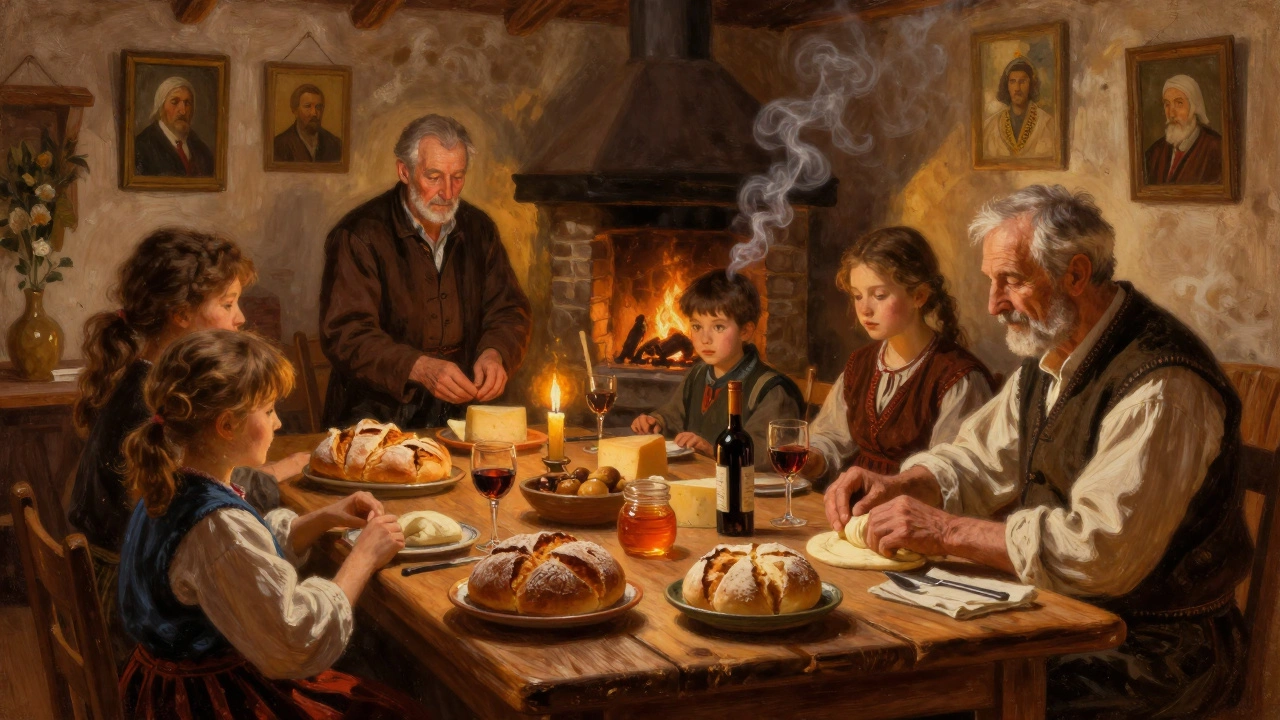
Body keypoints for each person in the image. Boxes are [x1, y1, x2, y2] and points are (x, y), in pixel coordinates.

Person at [823, 185, 1250, 718]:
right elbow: (976, 459)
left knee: (928, 698)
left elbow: (1099, 552)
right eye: (990, 281)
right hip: (1066, 618)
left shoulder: (1162, 385)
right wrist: (905, 484)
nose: (993, 303)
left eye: (1013, 281)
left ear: (1074, 274)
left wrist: (945, 530)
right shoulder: (1051, 358)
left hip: (1157, 653)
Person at [116, 330, 425, 718]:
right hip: (206, 701)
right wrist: (363, 557)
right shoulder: (217, 526)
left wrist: (322, 518)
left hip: (162, 683)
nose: (278, 423)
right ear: (227, 425)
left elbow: (243, 567)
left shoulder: (174, 484)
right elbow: (294, 639)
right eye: (268, 410)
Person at [69, 228, 308, 661]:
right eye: (228, 303)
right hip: (135, 620)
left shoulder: (150, 382)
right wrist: (284, 470)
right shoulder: (156, 407)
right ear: (181, 314)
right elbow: (194, 496)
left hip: (126, 587)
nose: (240, 319)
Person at [320, 114, 532, 428]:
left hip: (463, 412)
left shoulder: (479, 228)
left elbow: (509, 309)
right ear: (404, 171)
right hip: (376, 414)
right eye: (433, 176)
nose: (447, 191)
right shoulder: (358, 235)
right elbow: (346, 335)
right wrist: (419, 368)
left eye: (457, 176)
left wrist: (494, 352)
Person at [803, 227, 993, 489]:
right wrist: (814, 457)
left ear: (919, 296)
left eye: (879, 295)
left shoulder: (957, 376)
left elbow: (951, 473)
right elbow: (832, 435)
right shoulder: (860, 364)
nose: (865, 308)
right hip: (853, 506)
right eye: (857, 296)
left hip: (913, 512)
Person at [631, 269, 803, 470]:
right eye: (696, 327)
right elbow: (674, 415)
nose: (705, 338)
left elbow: (767, 454)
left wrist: (713, 451)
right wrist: (656, 422)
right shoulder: (698, 374)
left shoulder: (770, 390)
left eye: (718, 327)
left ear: (745, 331)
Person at [1143, 74, 1223, 185]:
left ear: (1194, 107)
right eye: (1167, 104)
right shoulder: (1155, 152)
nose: (1171, 114)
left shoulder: (1217, 148)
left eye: (1179, 103)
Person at [133, 76, 215, 177]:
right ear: (160, 108)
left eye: (187, 103)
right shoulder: (141, 147)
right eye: (174, 102)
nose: (183, 110)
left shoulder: (202, 151)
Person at [980, 55, 1058, 159]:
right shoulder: (990, 126)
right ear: (1007, 86)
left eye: (1022, 82)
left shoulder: (1047, 123)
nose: (1017, 88)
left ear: (1031, 85)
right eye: (1012, 82)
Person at [272, 83, 343, 163]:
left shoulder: (335, 144)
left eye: (318, 107)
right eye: (308, 106)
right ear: (295, 110)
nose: (314, 113)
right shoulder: (279, 145)